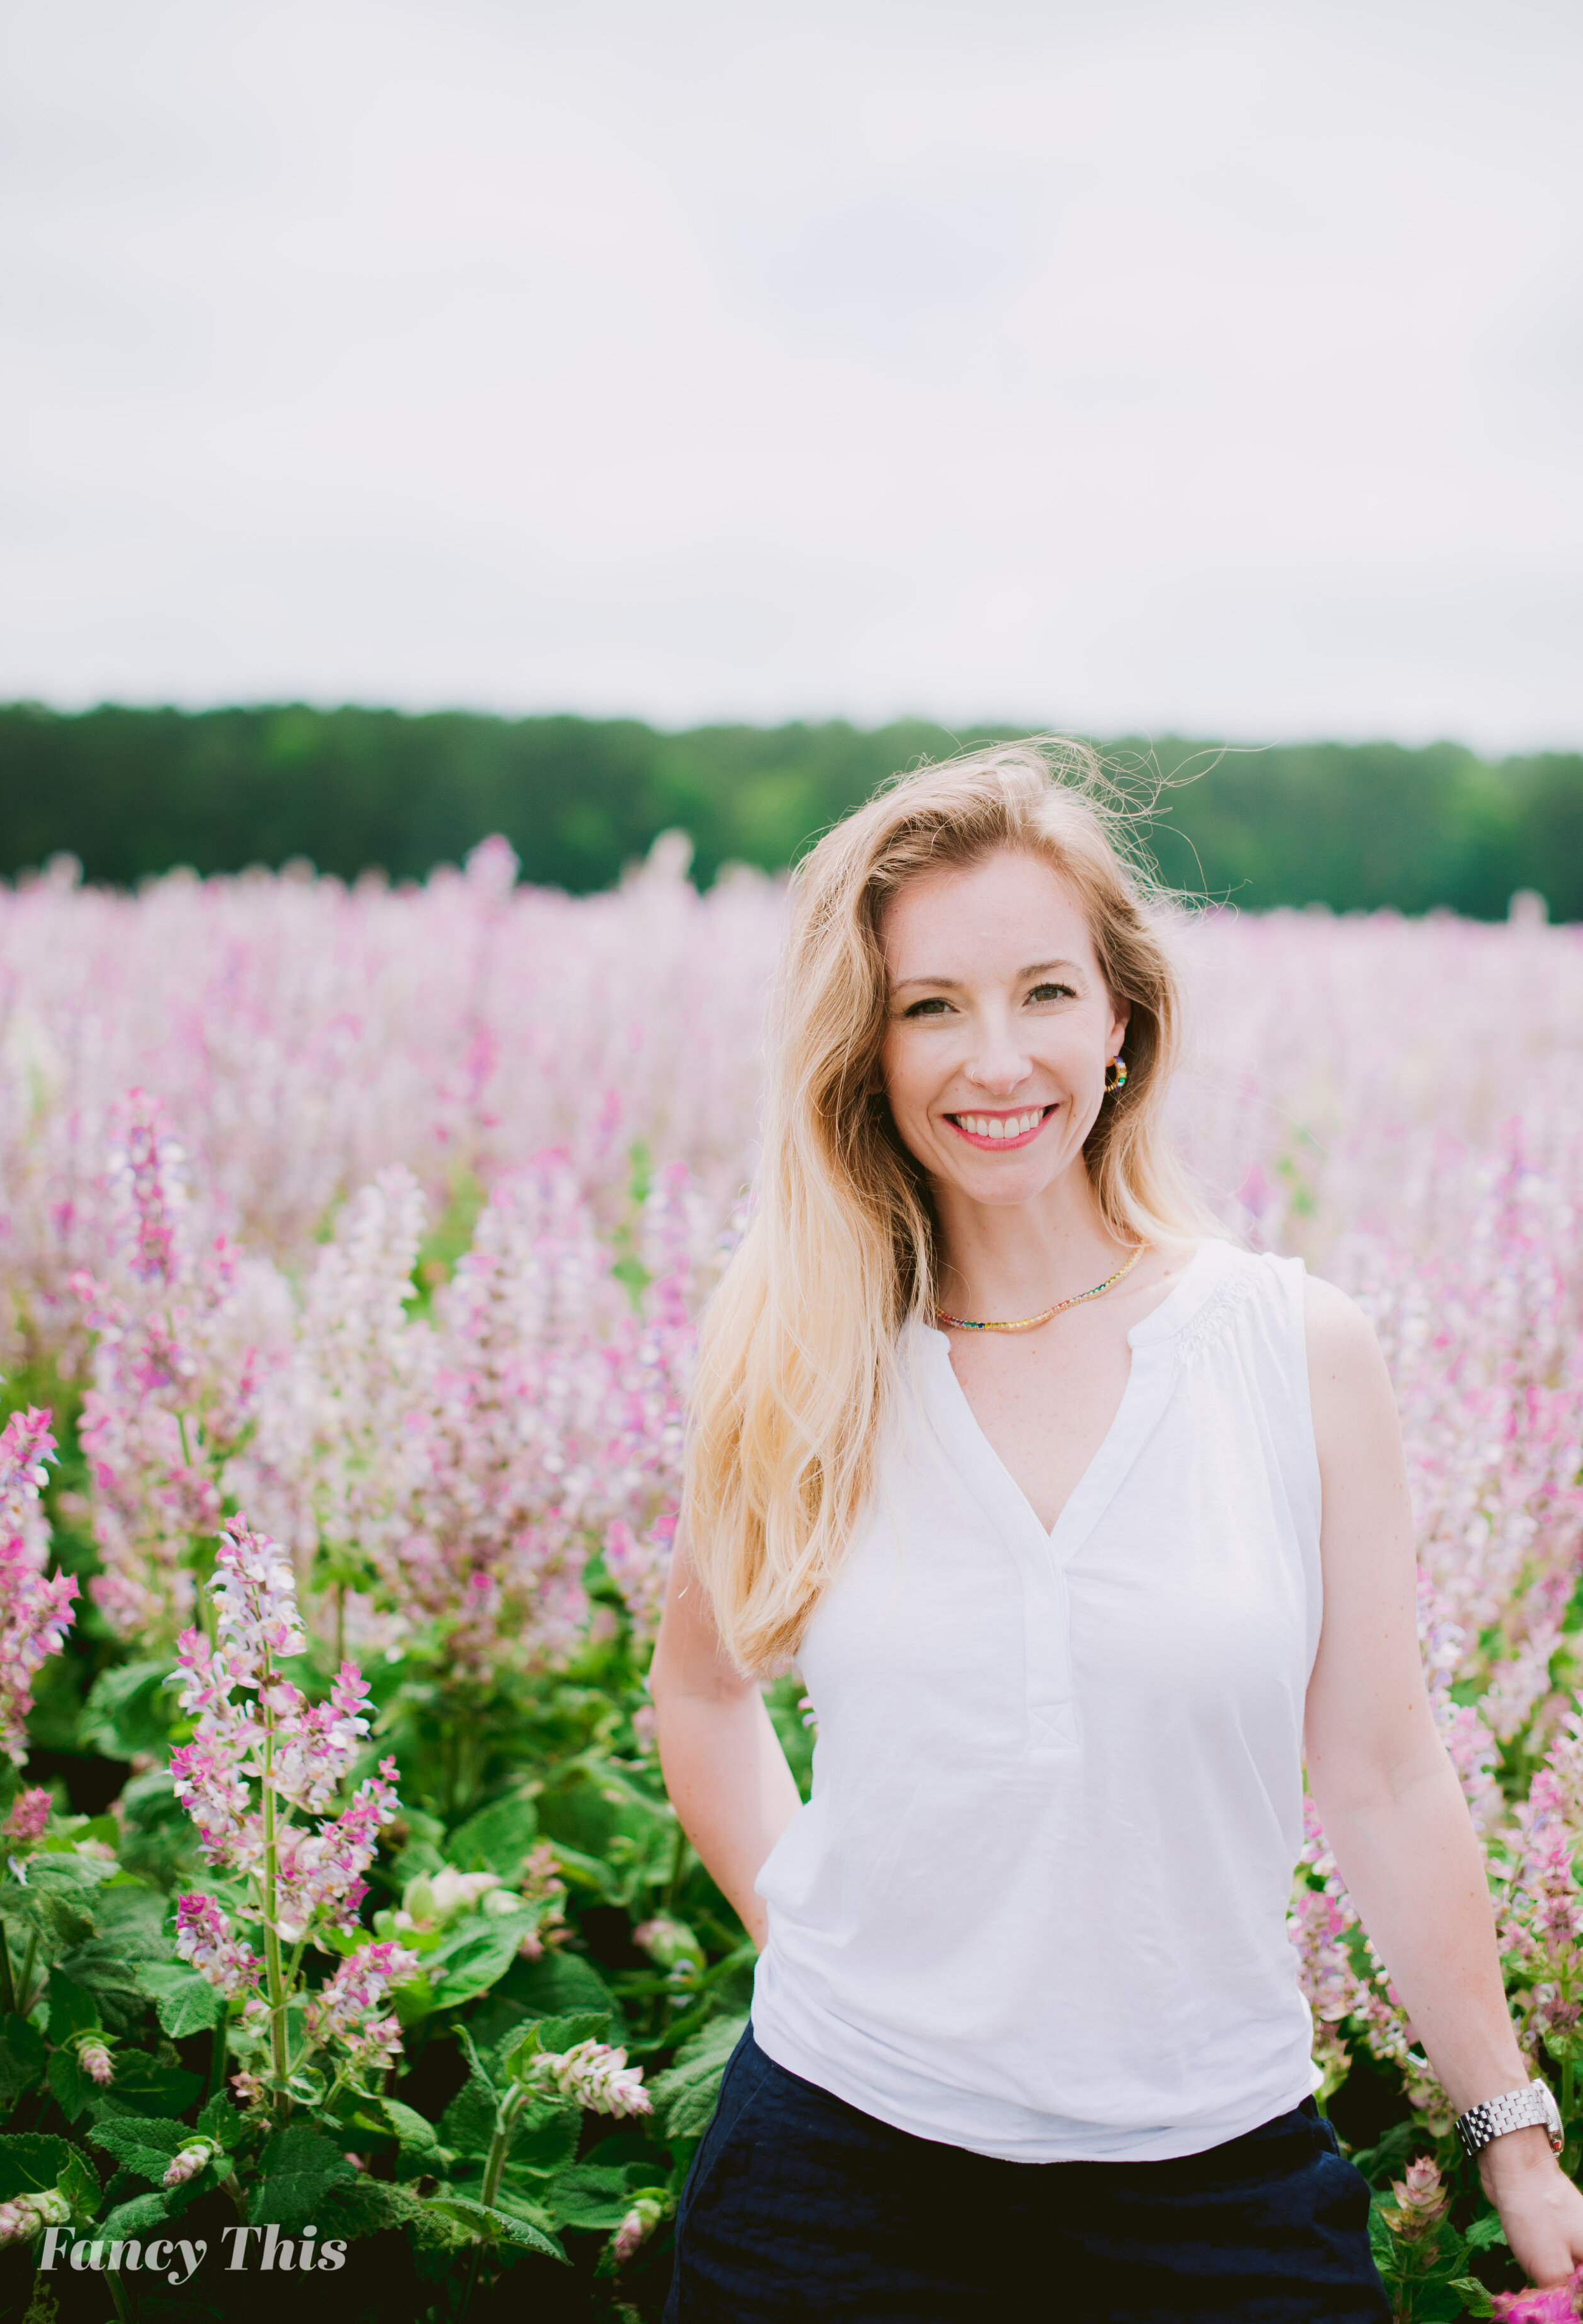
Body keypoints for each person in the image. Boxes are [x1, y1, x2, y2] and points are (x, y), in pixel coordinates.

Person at [650, 745, 1583, 2322]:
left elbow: (1380, 1767)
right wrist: (806, 1919)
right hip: (832, 2180)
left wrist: (1509, 2131)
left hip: (1213, 2183)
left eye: (1043, 992)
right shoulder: (799, 1351)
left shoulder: (1291, 1347)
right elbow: (702, 1688)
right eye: (926, 1004)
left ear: (1122, 1017)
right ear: (860, 1050)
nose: (994, 1058)